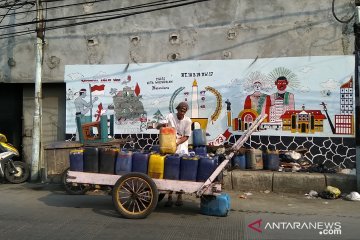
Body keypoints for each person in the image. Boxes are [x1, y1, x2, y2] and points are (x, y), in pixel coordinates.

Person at [158, 102, 192, 206]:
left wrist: (176, 143)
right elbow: (159, 126)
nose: (183, 111)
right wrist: (162, 125)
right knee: (169, 171)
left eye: (185, 110)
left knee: (181, 172)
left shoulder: (187, 121)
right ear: (177, 109)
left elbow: (186, 136)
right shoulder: (170, 116)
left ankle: (179, 196)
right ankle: (169, 197)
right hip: (168, 144)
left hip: (181, 145)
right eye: (181, 109)